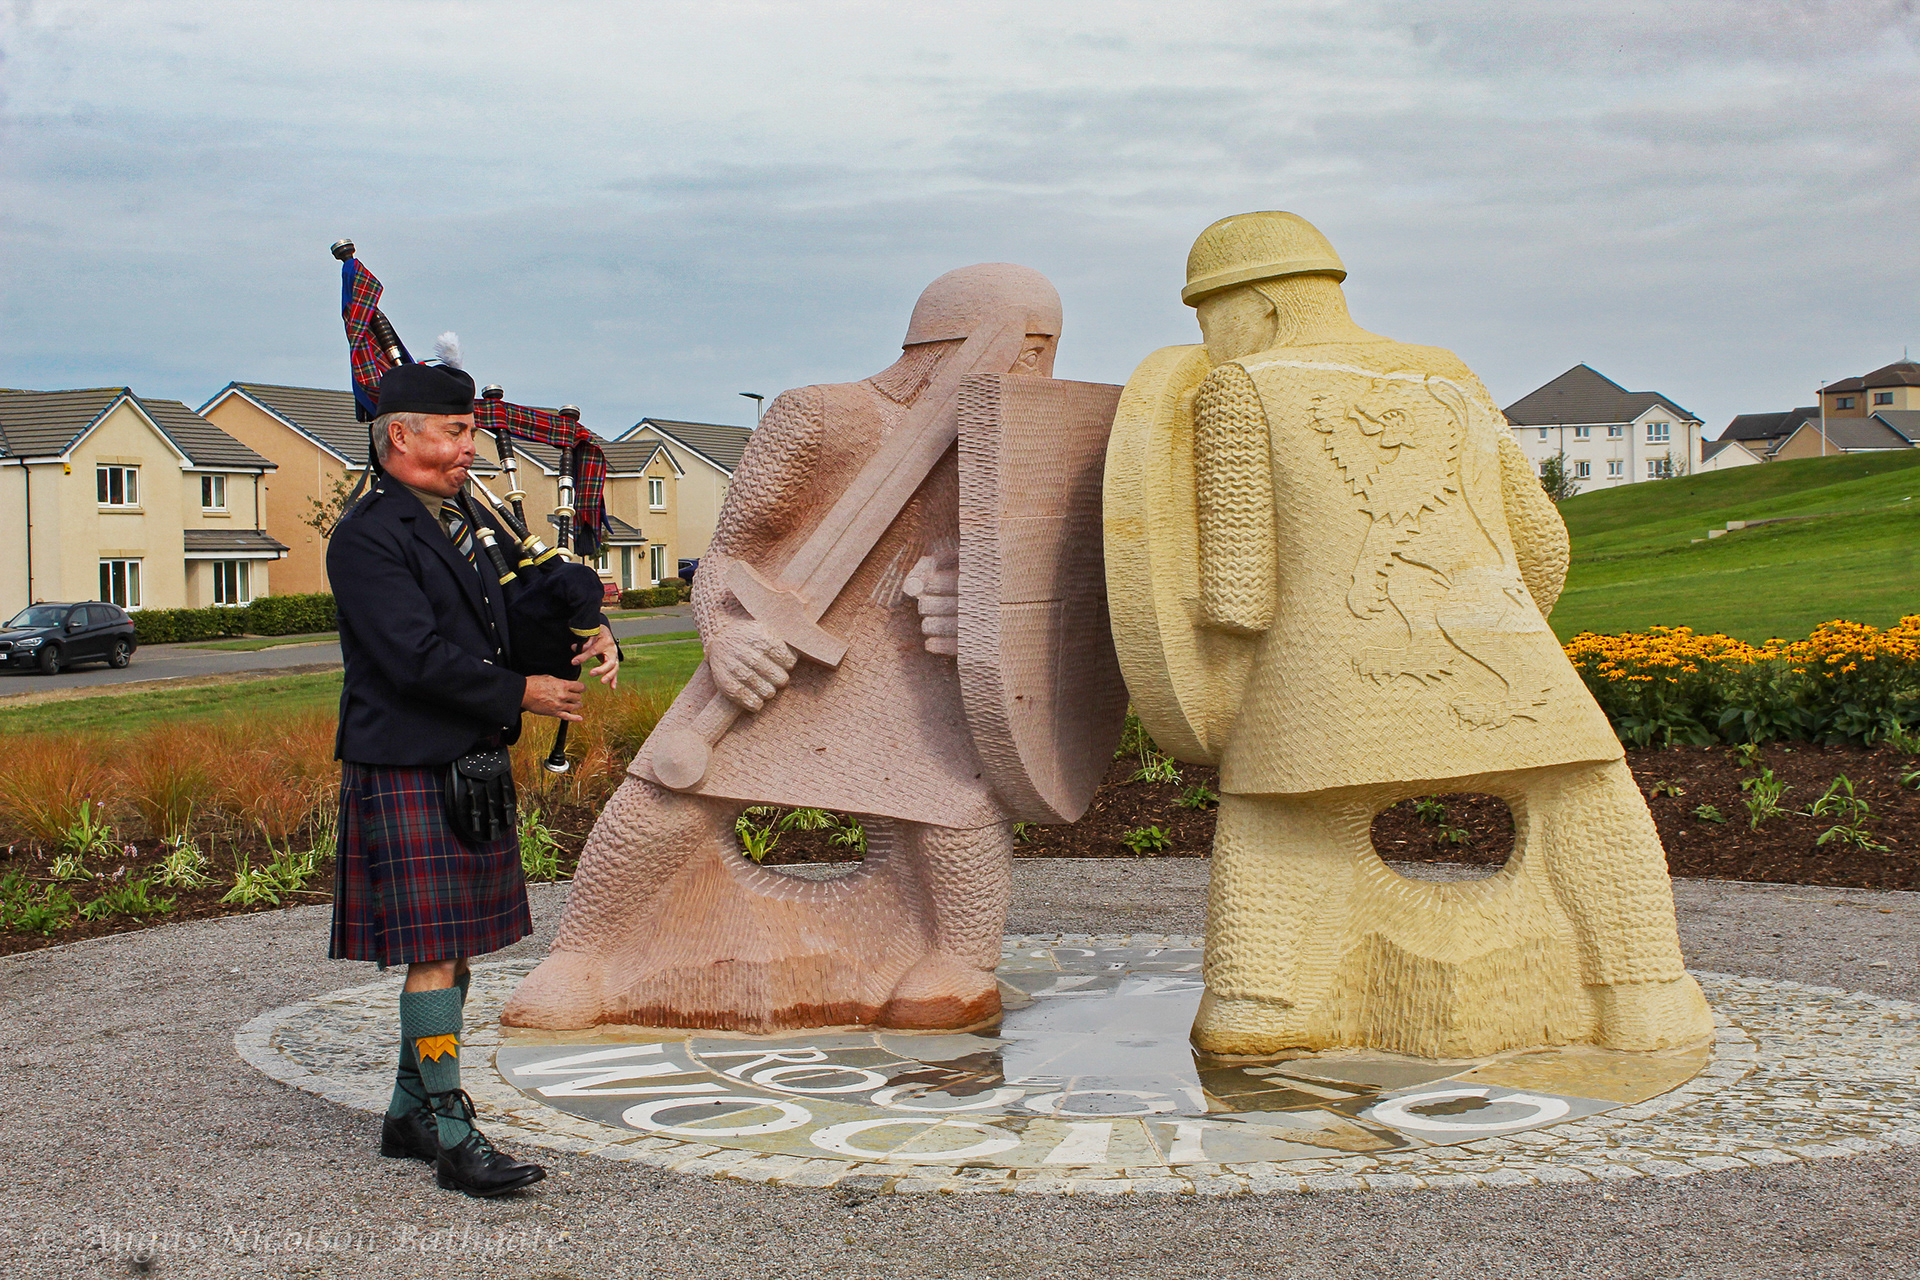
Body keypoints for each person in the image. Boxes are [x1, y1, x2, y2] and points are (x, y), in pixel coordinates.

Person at [1117, 212, 1713, 1058]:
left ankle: (1260, 1008)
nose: (1208, 338)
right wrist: (1497, 622)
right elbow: (1543, 541)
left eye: (1208, 317)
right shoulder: (1447, 373)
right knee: (1587, 805)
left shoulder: (1240, 389)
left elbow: (1239, 592)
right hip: (1505, 650)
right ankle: (1645, 998)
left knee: (1277, 823)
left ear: (1256, 304)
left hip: (1328, 670)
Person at [504, 264, 1064, 1033]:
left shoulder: (1013, 437)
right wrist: (726, 635)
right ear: (966, 343)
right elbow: (728, 556)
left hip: (915, 670)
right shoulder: (820, 418)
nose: (1042, 374)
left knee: (956, 806)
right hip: (780, 651)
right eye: (1033, 351)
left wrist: (981, 604)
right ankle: (586, 956)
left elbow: (1043, 566)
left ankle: (957, 959)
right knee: (665, 797)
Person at [326, 359, 619, 1196]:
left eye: (469, 432)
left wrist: (580, 630)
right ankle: (454, 1134)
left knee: (450, 952)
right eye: (455, 432)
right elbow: (411, 657)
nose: (470, 447)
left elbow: (502, 627)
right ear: (400, 435)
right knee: (433, 951)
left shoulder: (460, 520)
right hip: (407, 757)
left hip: (464, 757)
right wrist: (520, 692)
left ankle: (405, 1112)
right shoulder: (369, 535)